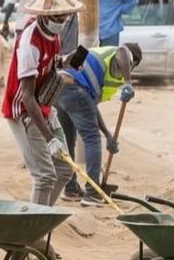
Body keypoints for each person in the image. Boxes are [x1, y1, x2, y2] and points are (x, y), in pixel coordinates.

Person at [2, 0, 82, 208]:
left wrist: (68, 61)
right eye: (58, 17)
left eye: (65, 17)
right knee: (45, 176)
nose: (62, 22)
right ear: (45, 15)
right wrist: (49, 139)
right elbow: (27, 96)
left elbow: (50, 64)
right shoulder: (30, 42)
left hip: (44, 107)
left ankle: (41, 216)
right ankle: (30, 231)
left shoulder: (53, 36)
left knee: (65, 170)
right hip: (25, 112)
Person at [56, 43, 141, 204]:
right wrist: (128, 82)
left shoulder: (106, 70)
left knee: (68, 140)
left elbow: (90, 108)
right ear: (133, 63)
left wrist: (108, 135)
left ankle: (71, 189)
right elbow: (122, 50)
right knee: (92, 139)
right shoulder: (120, 54)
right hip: (74, 85)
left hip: (59, 86)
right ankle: (93, 193)